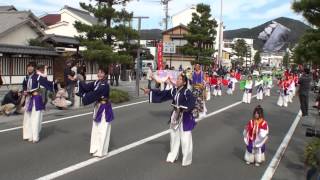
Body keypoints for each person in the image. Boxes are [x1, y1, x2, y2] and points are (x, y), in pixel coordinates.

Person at [143, 72, 196, 166]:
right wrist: (150, 91)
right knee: (174, 136)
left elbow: (192, 103)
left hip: (185, 117)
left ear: (184, 83)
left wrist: (184, 108)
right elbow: (163, 94)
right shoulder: (174, 90)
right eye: (178, 79)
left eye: (180, 79)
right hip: (175, 115)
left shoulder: (187, 92)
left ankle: (186, 159)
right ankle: (173, 156)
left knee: (185, 138)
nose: (178, 80)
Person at [72, 67, 114, 157]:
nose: (99, 74)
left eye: (102, 72)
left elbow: (95, 94)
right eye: (98, 72)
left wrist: (83, 96)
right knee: (95, 129)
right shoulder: (96, 82)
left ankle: (101, 151)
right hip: (97, 107)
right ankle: (95, 148)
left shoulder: (104, 85)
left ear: (105, 75)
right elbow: (87, 87)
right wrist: (78, 80)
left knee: (102, 129)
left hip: (104, 108)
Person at [22, 62, 57, 143]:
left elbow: (47, 83)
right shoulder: (26, 77)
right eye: (28, 67)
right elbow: (24, 85)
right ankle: (28, 135)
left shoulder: (38, 77)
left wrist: (54, 83)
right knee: (27, 117)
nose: (29, 68)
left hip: (36, 98)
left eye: (31, 67)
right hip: (28, 99)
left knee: (36, 117)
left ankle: (35, 136)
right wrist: (24, 91)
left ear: (34, 68)